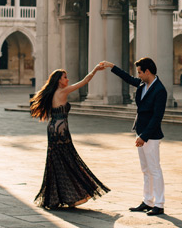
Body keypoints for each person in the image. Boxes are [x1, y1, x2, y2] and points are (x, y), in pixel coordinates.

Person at [30, 65, 110, 209]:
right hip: (61, 130)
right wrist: (95, 69)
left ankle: (60, 196)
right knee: (69, 161)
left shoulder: (53, 92)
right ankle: (73, 194)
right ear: (59, 81)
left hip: (53, 128)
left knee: (56, 162)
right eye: (65, 77)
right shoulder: (63, 91)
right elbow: (84, 81)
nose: (67, 80)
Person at [101, 58, 167, 216]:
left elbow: (157, 117)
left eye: (139, 72)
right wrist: (112, 67)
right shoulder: (143, 85)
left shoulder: (160, 90)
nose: (138, 75)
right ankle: (147, 201)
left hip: (150, 135)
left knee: (154, 169)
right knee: (145, 169)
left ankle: (159, 204)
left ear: (147, 72)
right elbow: (128, 78)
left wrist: (144, 136)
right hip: (141, 131)